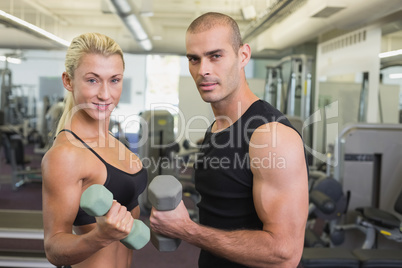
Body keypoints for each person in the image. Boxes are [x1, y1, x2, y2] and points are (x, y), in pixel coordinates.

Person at [149, 12, 309, 267]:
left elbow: (284, 253)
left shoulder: (270, 136)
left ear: (243, 55)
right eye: (194, 59)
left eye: (215, 56)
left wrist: (187, 230)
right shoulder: (218, 127)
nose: (203, 70)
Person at [41, 33, 147, 268]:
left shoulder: (117, 145)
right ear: (68, 81)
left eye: (114, 80)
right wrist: (101, 236)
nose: (105, 94)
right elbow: (53, 249)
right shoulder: (66, 155)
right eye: (92, 80)